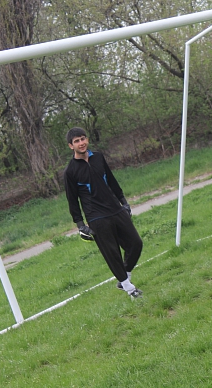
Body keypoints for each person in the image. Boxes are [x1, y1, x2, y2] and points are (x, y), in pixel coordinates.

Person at [64, 127, 143, 299]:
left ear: (87, 140)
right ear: (71, 146)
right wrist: (80, 225)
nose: (81, 143)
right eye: (76, 141)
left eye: (83, 139)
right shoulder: (70, 171)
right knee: (112, 253)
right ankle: (130, 289)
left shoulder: (98, 157)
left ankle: (124, 278)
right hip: (96, 216)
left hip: (115, 208)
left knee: (136, 243)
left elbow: (112, 180)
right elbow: (72, 200)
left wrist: (123, 201)